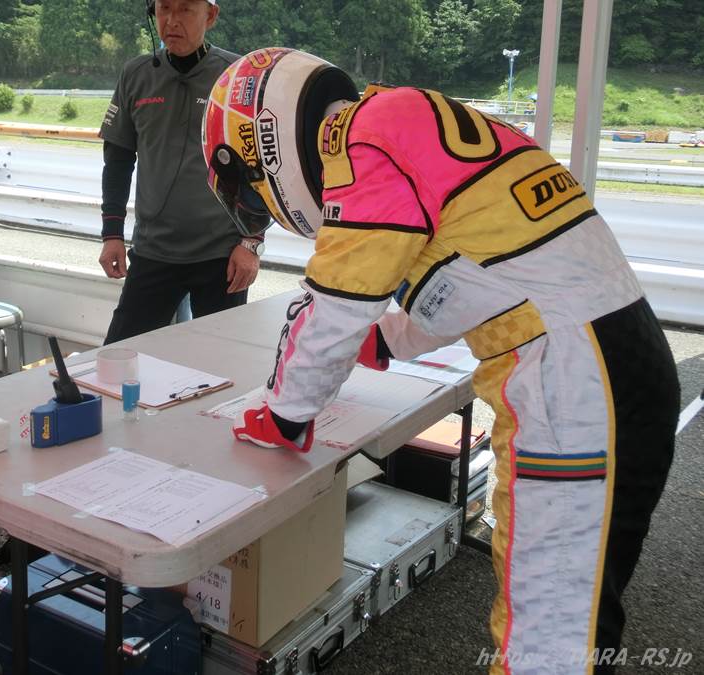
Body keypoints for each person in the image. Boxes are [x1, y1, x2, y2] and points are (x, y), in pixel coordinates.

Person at [203, 47, 679, 674]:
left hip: (574, 384)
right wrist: (386, 340)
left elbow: (333, 302)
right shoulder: (401, 118)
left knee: (550, 634)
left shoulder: (359, 143)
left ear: (264, 141)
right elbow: (481, 280)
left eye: (252, 184)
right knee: (579, 606)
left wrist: (284, 415)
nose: (263, 201)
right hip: (611, 359)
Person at [98, 0, 262, 345]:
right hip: (153, 250)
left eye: (186, 9)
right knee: (119, 356)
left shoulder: (238, 77)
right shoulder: (136, 74)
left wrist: (252, 242)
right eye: (164, 8)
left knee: (221, 363)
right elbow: (118, 159)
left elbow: (263, 167)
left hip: (222, 255)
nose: (172, 20)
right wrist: (111, 233)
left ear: (211, 15)